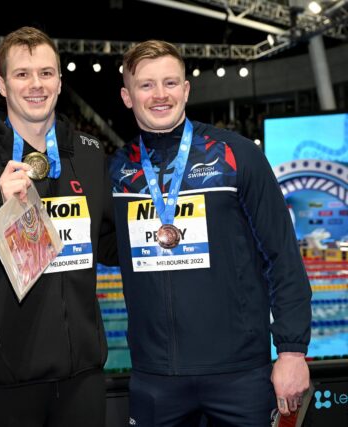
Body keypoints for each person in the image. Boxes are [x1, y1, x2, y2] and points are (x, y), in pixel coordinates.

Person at [109, 40, 312, 426]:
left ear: (186, 90)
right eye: (146, 85)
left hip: (239, 375)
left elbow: (282, 256)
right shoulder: (118, 171)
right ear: (127, 96)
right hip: (156, 378)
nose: (160, 95)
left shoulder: (236, 155)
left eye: (170, 83)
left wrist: (292, 351)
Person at [0, 26, 117, 427]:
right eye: (22, 74)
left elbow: (110, 243)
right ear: (2, 84)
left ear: (60, 82)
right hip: (2, 389)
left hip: (82, 383)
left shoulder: (89, 153)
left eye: (46, 73)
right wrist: (2, 217)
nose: (36, 84)